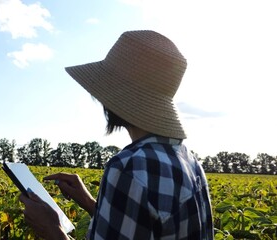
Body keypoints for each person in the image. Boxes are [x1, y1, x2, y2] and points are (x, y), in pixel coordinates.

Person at [19, 30, 214, 239]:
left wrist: (52, 230)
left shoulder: (130, 167)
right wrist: (89, 203)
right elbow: (149, 228)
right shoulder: (189, 160)